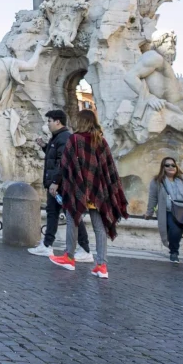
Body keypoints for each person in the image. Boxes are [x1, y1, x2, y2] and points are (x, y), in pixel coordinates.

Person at [49, 110, 127, 279]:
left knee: (72, 219)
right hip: (98, 190)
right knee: (99, 227)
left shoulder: (75, 139)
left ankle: (69, 257)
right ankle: (101, 265)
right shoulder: (101, 141)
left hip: (79, 188)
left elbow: (65, 165)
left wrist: (55, 183)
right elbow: (109, 168)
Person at [28, 109, 92, 262]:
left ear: (58, 121)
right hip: (56, 184)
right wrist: (44, 146)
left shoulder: (64, 138)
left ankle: (85, 249)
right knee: (52, 212)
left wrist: (56, 182)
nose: (47, 124)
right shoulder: (57, 137)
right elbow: (55, 158)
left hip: (62, 185)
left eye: (49, 121)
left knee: (72, 214)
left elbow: (63, 162)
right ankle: (47, 244)